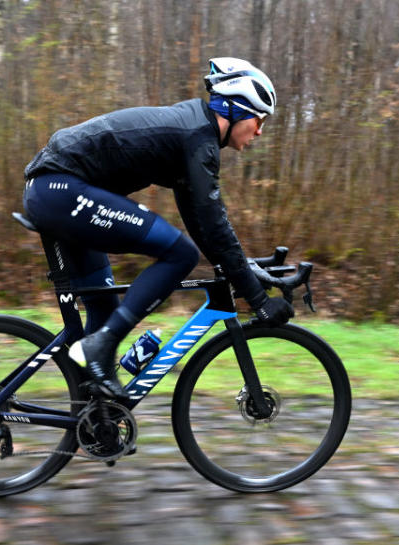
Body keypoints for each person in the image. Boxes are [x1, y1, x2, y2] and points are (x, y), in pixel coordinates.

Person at [22, 57, 294, 401]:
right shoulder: (198, 137)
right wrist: (257, 299)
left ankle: (93, 414)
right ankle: (101, 348)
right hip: (59, 190)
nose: (259, 131)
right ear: (237, 110)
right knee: (179, 254)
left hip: (56, 192)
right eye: (258, 120)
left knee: (105, 310)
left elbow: (203, 223)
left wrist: (244, 270)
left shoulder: (193, 133)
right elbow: (212, 223)